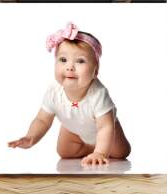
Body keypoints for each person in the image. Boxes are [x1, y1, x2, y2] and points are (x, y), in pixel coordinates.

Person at [8, 22, 131, 166]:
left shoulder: (98, 93)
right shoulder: (54, 92)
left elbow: (105, 127)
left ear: (95, 71)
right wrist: (31, 137)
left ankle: (96, 149)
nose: (69, 67)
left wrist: (100, 153)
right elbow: (42, 119)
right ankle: (89, 148)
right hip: (74, 128)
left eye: (80, 61)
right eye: (63, 60)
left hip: (105, 130)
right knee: (64, 152)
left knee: (120, 153)